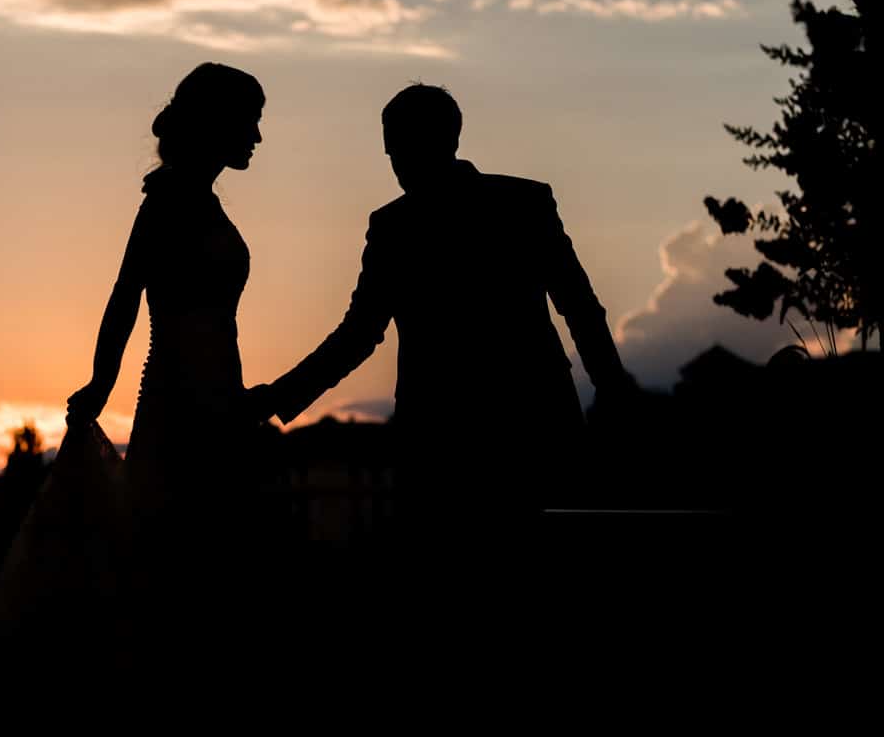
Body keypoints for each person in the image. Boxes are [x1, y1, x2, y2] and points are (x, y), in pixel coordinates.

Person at [255, 83, 636, 556]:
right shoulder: (519, 204)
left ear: (439, 140)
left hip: (456, 438)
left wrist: (277, 398)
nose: (393, 161)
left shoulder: (403, 225)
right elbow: (579, 307)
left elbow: (358, 335)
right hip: (519, 425)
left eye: (397, 147)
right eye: (390, 149)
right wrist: (615, 393)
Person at [64, 62, 271, 673]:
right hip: (183, 405)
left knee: (203, 572)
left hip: (215, 404)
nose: (257, 137)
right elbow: (125, 294)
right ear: (218, 124)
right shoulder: (172, 198)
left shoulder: (196, 199)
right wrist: (101, 383)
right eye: (251, 122)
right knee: (184, 569)